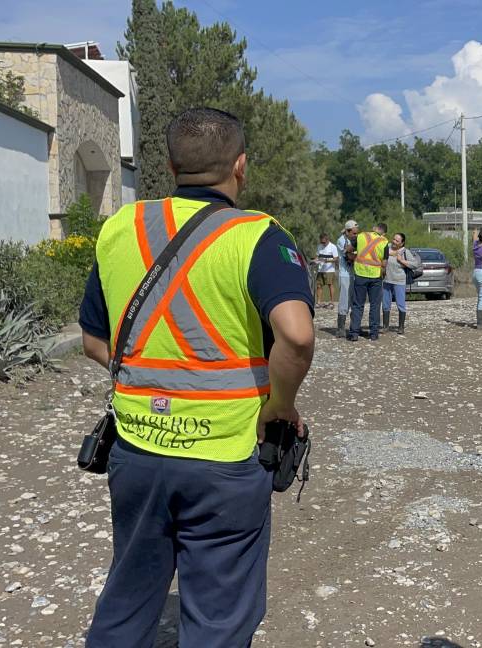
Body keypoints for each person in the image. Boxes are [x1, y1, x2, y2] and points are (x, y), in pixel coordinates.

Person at [77, 107, 315, 648]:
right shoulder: (258, 235)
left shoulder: (123, 226)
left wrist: (143, 377)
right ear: (241, 165)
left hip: (136, 448)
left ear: (170, 165)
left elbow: (94, 340)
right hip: (227, 456)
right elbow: (297, 336)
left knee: (127, 598)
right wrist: (280, 404)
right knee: (219, 617)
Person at [347, 222, 389, 341]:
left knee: (358, 305)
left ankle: (354, 333)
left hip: (360, 274)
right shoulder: (384, 242)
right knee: (375, 305)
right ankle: (374, 333)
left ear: (374, 228)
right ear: (384, 232)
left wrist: (353, 257)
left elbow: (349, 250)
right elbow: (384, 263)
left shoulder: (361, 236)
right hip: (376, 277)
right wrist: (382, 272)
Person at [383, 232, 418, 335]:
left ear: (402, 243)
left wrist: (402, 261)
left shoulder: (405, 252)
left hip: (399, 281)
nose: (394, 242)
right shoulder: (386, 247)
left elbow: (415, 264)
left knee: (400, 304)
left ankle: (401, 327)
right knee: (385, 304)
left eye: (397, 241)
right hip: (386, 280)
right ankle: (385, 327)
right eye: (393, 239)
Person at [336, 221, 358, 336]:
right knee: (344, 301)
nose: (356, 235)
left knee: (355, 301)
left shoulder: (355, 240)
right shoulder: (341, 241)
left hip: (355, 274)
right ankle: (340, 328)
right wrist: (362, 257)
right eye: (354, 233)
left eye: (356, 233)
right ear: (348, 231)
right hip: (344, 274)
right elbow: (349, 257)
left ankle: (354, 327)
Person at [314, 233, 338, 308]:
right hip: (320, 269)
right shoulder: (319, 246)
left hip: (330, 270)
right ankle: (318, 302)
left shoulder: (333, 247)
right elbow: (317, 257)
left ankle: (331, 302)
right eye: (321, 242)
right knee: (318, 285)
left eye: (324, 242)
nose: (322, 243)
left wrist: (326, 261)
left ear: (327, 240)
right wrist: (314, 261)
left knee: (330, 285)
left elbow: (336, 259)